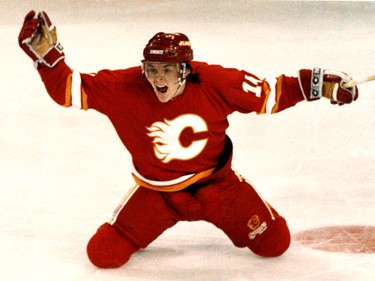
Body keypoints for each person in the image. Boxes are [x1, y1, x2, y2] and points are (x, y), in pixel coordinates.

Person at [18, 11, 358, 269]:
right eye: (152, 69)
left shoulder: (215, 81)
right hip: (158, 194)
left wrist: (318, 85)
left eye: (167, 70)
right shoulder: (126, 87)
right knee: (103, 254)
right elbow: (67, 90)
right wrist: (48, 60)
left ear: (186, 69)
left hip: (219, 188)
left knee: (275, 243)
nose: (157, 78)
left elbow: (270, 94)